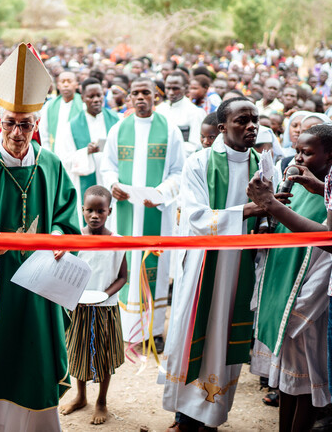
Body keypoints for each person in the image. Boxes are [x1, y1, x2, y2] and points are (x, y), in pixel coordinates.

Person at [0, 43, 81, 431]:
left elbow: (66, 220)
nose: (17, 132)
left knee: (36, 357)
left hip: (41, 289)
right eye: (9, 122)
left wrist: (57, 237)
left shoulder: (52, 166)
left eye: (25, 124)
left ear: (37, 125)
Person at [160, 97, 266, 431]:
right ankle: (186, 416)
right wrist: (247, 211)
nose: (251, 126)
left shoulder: (264, 163)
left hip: (241, 265)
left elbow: (269, 217)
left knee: (223, 339)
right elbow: (195, 217)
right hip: (205, 266)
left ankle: (213, 415)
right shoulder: (200, 162)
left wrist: (269, 216)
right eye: (242, 121)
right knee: (197, 333)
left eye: (255, 120)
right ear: (222, 128)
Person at [248, 125, 332, 432]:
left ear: (329, 155)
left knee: (307, 382)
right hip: (283, 289)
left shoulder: (326, 190)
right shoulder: (299, 183)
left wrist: (304, 304)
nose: (298, 157)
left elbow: (327, 244)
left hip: (309, 301)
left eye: (307, 153)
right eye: (296, 150)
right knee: (285, 379)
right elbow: (285, 231)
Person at [101, 78, 185, 350]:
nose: (140, 97)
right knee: (125, 266)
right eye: (135, 93)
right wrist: (113, 184)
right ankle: (124, 328)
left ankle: (153, 331)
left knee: (153, 269)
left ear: (155, 97)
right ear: (129, 98)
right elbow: (108, 165)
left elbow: (178, 171)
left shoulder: (170, 130)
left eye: (145, 93)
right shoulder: (118, 129)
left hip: (155, 214)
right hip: (126, 211)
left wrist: (160, 194)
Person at [59, 185, 127, 425]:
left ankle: (101, 401)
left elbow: (122, 276)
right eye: (90, 210)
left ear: (110, 211)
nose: (95, 215)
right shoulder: (75, 239)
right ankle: (81, 396)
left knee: (104, 356)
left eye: (101, 210)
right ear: (82, 210)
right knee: (78, 352)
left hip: (106, 308)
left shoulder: (117, 241)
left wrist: (104, 295)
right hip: (79, 307)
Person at [62, 77, 120, 226]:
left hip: (111, 179)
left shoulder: (117, 120)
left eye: (99, 95)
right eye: (91, 96)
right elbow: (65, 159)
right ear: (82, 98)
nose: (96, 100)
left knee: (112, 221)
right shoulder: (72, 125)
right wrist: (85, 152)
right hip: (86, 180)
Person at [157, 72, 206, 155]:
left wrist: (169, 150)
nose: (171, 92)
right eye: (168, 88)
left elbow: (195, 145)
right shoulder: (160, 109)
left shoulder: (195, 112)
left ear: (186, 88)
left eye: (175, 88)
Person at [40, 71, 83, 155]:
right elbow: (43, 132)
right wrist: (49, 153)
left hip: (76, 154)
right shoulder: (49, 106)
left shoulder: (83, 105)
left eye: (69, 81)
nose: (66, 84)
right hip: (55, 153)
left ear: (76, 85)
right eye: (62, 82)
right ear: (58, 85)